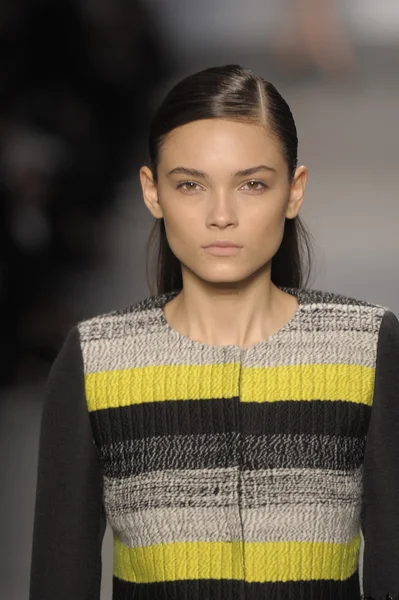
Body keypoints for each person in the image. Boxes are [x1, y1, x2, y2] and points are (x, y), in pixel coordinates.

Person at [29, 64, 399, 600]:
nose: (220, 215)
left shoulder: (363, 348)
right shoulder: (97, 362)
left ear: (294, 192)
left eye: (251, 184)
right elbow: (58, 582)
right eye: (190, 185)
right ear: (152, 193)